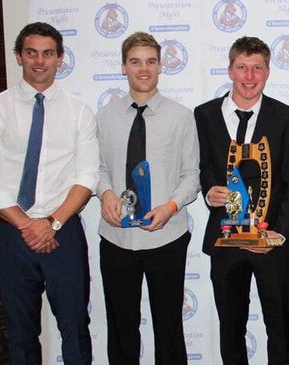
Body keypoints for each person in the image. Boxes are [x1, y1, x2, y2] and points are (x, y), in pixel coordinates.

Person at [0, 22, 98, 365]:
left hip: (63, 232)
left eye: (48, 53)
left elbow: (87, 176)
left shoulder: (78, 111)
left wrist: (52, 223)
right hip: (13, 234)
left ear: (60, 59)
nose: (39, 61)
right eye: (31, 53)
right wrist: (29, 226)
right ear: (19, 57)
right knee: (21, 328)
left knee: (75, 325)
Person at [96, 32, 200, 365]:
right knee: (122, 327)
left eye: (151, 61)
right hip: (117, 238)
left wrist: (170, 207)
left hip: (166, 238)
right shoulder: (105, 116)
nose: (144, 69)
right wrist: (106, 192)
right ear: (124, 66)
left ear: (160, 66)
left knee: (169, 327)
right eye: (136, 61)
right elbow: (95, 168)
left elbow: (192, 176)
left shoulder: (181, 117)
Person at [194, 36, 289, 365]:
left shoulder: (286, 117)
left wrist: (276, 234)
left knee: (279, 327)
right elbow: (201, 167)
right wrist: (210, 190)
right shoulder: (204, 115)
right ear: (229, 70)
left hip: (272, 244)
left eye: (257, 68)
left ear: (268, 72)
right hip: (224, 241)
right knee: (231, 327)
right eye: (242, 68)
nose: (249, 77)